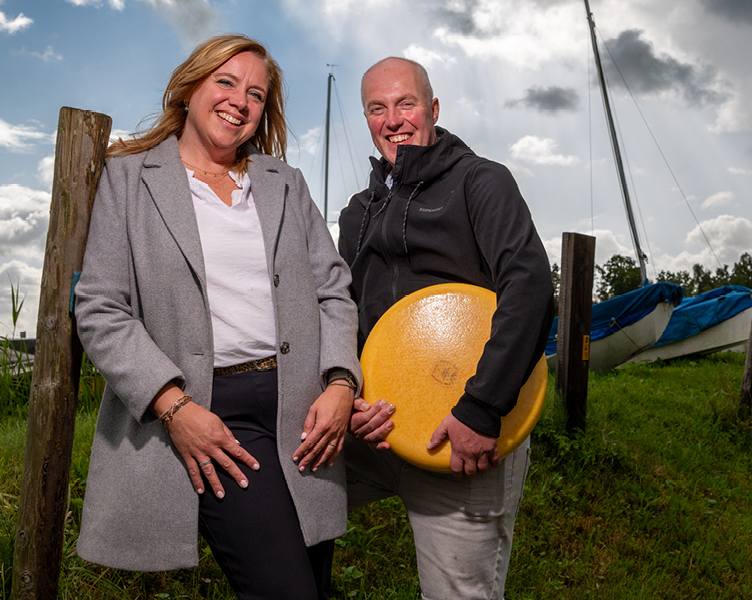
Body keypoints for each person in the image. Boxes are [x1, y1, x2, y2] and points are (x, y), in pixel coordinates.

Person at [73, 34, 360, 600]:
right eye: (225, 82)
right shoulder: (129, 179)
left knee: (316, 585)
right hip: (211, 414)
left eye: (256, 93)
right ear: (189, 87)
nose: (240, 101)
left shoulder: (285, 184)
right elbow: (101, 308)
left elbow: (333, 290)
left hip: (301, 413)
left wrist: (342, 382)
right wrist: (174, 406)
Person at [336, 57, 554, 599]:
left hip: (464, 434)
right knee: (284, 489)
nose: (393, 119)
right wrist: (347, 392)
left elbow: (529, 287)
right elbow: (343, 311)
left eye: (405, 103)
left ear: (433, 109)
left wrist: (481, 409)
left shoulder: (481, 182)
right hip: (378, 428)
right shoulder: (357, 211)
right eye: (376, 108)